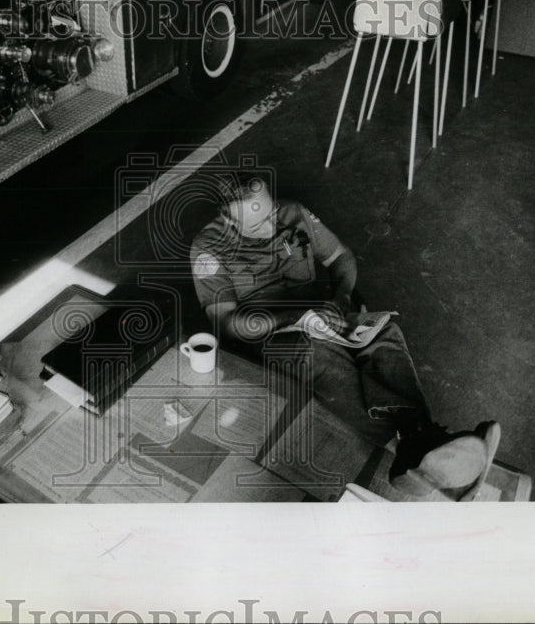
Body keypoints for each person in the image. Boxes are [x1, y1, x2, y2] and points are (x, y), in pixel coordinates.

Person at [189, 173, 500, 498]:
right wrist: (296, 317)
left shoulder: (292, 212)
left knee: (383, 333)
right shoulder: (208, 248)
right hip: (269, 338)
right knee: (318, 354)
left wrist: (340, 299)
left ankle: (416, 443)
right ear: (227, 219)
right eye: (256, 226)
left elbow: (341, 257)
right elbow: (227, 322)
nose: (271, 227)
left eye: (270, 214)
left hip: (322, 314)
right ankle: (420, 443)